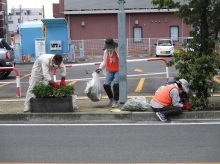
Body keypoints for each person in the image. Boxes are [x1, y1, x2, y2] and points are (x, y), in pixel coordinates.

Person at [96, 38, 119, 108]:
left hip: (118, 70)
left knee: (116, 84)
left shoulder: (117, 51)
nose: (109, 48)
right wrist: (100, 68)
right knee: (106, 85)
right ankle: (111, 99)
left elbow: (122, 60)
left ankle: (116, 100)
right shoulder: (106, 52)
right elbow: (104, 61)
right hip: (109, 70)